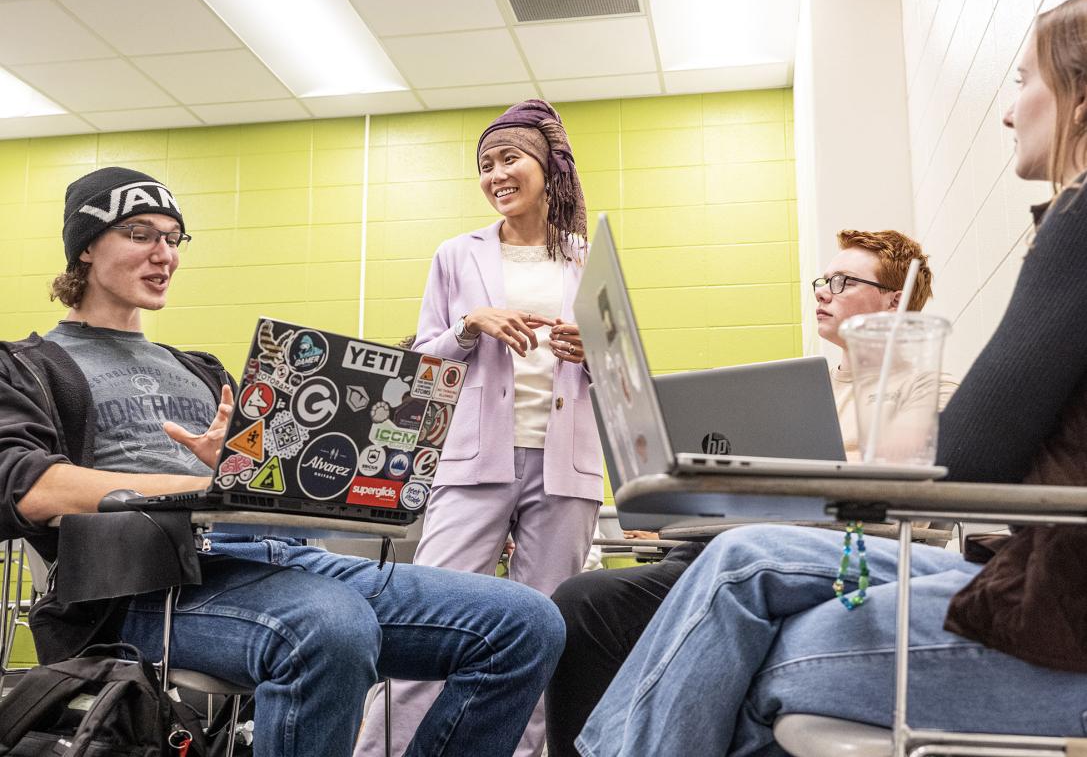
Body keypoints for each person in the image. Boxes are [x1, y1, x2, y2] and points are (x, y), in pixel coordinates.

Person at [574, 0, 1087, 756]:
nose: (1009, 112)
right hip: (1044, 585)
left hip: (1061, 618)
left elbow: (966, 455)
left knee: (754, 640)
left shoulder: (1077, 225)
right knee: (738, 562)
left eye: (1021, 81)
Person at [0, 166, 566, 757]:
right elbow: (29, 488)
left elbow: (253, 483)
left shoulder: (202, 368)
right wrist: (195, 485)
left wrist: (257, 473)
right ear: (86, 248)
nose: (164, 254)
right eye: (140, 235)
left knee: (527, 623)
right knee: (330, 626)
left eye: (173, 238)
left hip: (276, 561)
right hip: (146, 589)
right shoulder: (28, 366)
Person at [545, 229, 955, 756]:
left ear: (894, 302)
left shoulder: (928, 389)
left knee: (601, 603)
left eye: (841, 281)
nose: (822, 292)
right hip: (728, 547)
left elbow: (913, 506)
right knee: (582, 599)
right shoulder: (800, 389)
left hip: (825, 564)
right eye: (821, 281)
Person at [357, 99, 603, 757]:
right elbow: (420, 366)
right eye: (484, 164)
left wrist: (597, 350)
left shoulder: (588, 255)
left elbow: (624, 365)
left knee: (543, 630)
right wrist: (471, 327)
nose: (495, 174)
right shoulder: (456, 255)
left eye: (508, 158)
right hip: (473, 461)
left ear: (548, 168)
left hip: (566, 464)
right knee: (426, 618)